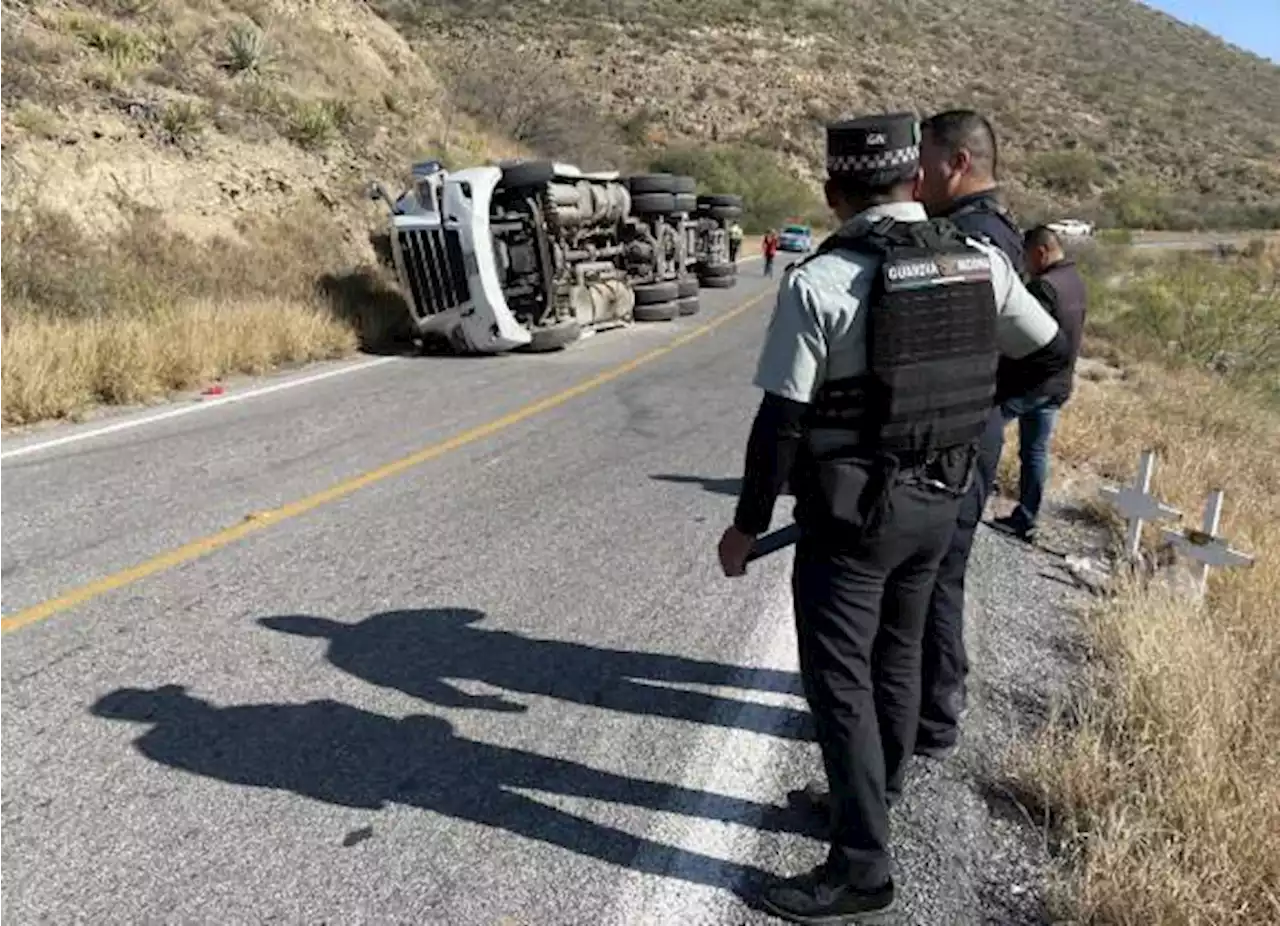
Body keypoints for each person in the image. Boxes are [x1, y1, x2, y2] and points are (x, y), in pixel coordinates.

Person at [716, 111, 1071, 924]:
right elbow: (1050, 350)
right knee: (899, 653)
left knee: (839, 681)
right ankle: (881, 788)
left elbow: (781, 426)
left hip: (852, 519)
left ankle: (861, 870)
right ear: (916, 183)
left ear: (834, 193)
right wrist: (977, 398)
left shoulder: (819, 282)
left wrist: (744, 527)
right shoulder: (982, 259)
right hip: (943, 500)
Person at [912, 108, 1030, 756]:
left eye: (925, 162)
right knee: (938, 570)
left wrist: (983, 407)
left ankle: (932, 715)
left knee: (931, 572)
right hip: (970, 426)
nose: (916, 175)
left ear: (957, 163)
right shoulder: (985, 229)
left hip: (957, 434)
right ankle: (938, 690)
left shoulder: (976, 239)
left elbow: (1035, 349)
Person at [990, 224, 1088, 541]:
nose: (1025, 264)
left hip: (1029, 386)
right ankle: (1027, 518)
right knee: (1035, 452)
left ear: (1041, 252)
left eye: (1026, 257)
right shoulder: (1075, 283)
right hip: (1059, 384)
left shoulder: (1044, 287)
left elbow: (1026, 339)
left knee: (983, 432)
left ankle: (968, 498)